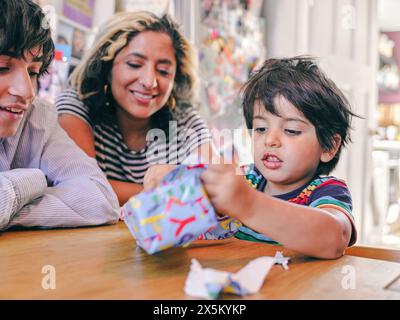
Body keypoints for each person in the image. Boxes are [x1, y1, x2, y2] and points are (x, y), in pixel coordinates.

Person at [201, 57, 358, 259]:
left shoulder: (327, 191)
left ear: (329, 146)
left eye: (291, 130)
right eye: (260, 128)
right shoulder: (245, 179)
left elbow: (335, 238)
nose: (270, 140)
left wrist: (248, 204)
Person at [56, 12, 215, 206]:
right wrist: (166, 191)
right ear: (106, 66)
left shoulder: (184, 120)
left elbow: (218, 188)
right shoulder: (77, 105)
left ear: (176, 78)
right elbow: (81, 186)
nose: (149, 82)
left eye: (163, 71)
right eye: (134, 64)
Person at [0, 0, 119, 230]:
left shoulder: (37, 117)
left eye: (33, 72)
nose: (27, 91)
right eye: (2, 67)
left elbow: (101, 198)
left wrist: (9, 206)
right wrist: (34, 180)